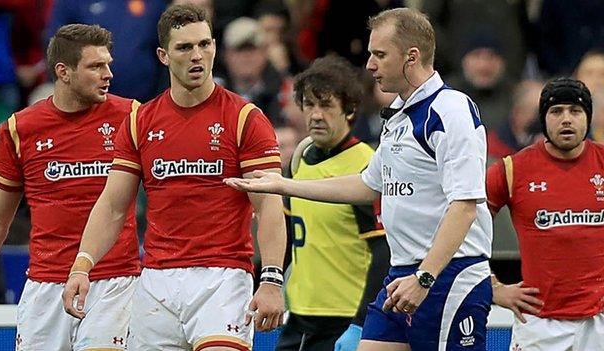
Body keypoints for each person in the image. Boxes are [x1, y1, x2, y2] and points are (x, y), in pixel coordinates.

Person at [225, 8, 493, 351]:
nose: (369, 64)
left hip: (447, 277)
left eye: (379, 54)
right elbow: (368, 185)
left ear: (411, 57)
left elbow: (465, 207)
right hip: (402, 276)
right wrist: (282, 185)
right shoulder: (398, 116)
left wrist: (425, 278)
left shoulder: (451, 110)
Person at [62, 4, 286, 350]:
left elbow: (269, 205)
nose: (197, 56)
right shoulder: (141, 122)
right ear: (163, 55)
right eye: (184, 47)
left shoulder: (245, 118)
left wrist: (271, 277)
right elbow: (112, 206)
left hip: (222, 278)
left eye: (204, 44)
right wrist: (82, 265)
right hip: (156, 282)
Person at [0, 24, 140, 350]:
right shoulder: (18, 130)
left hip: (114, 282)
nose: (108, 74)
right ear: (63, 72)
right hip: (45, 285)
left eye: (108, 64)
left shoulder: (132, 117)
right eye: (96, 66)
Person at [274, 56, 389, 351]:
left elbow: (382, 249)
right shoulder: (297, 163)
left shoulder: (366, 166)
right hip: (298, 317)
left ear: (349, 110)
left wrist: (361, 323)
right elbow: (286, 237)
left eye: (326, 106)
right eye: (309, 104)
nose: (315, 115)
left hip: (345, 318)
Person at [487, 77, 604, 350]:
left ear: (588, 117)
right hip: (539, 324)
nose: (566, 119)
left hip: (598, 321)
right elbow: (465, 228)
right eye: (556, 111)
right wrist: (492, 287)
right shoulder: (511, 170)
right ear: (543, 118)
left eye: (575, 111)